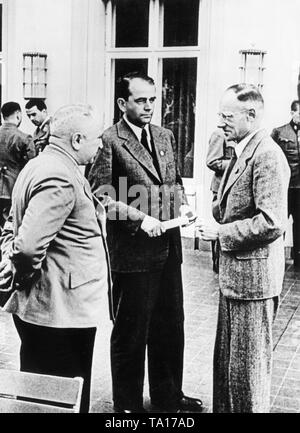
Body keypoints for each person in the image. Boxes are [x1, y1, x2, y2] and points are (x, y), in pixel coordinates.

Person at [88, 71, 202, 414]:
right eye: (141, 100)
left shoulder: (164, 135)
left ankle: (168, 394)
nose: (149, 106)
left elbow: (174, 180)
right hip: (133, 254)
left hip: (169, 250)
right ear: (123, 103)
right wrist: (141, 219)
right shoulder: (109, 140)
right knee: (131, 331)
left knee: (170, 325)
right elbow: (101, 196)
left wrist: (182, 205)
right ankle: (127, 404)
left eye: (153, 99)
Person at [0, 104, 108, 413]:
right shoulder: (59, 176)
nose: (100, 144)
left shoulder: (41, 164)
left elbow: (13, 225)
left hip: (51, 309)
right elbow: (28, 247)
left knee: (40, 394)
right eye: (96, 137)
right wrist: (22, 278)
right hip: (59, 311)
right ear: (76, 139)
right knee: (60, 397)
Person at [197, 83, 290, 413]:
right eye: (220, 115)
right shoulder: (242, 151)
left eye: (227, 115)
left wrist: (220, 233)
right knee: (228, 372)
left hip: (253, 284)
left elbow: (272, 221)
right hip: (236, 280)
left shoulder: (266, 155)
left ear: (251, 115)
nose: (220, 122)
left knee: (248, 377)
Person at [271, 100, 300, 267]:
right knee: (278, 222)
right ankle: (275, 259)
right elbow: (270, 157)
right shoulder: (279, 132)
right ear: (292, 113)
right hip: (284, 187)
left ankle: (298, 260)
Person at [0, 102, 35, 230]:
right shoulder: (24, 138)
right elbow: (32, 166)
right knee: (10, 228)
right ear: (18, 115)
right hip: (14, 189)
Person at [206, 129, 235, 272]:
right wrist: (235, 164)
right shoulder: (219, 134)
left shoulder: (239, 134)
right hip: (221, 187)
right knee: (221, 224)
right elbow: (212, 161)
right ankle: (217, 263)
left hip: (232, 186)